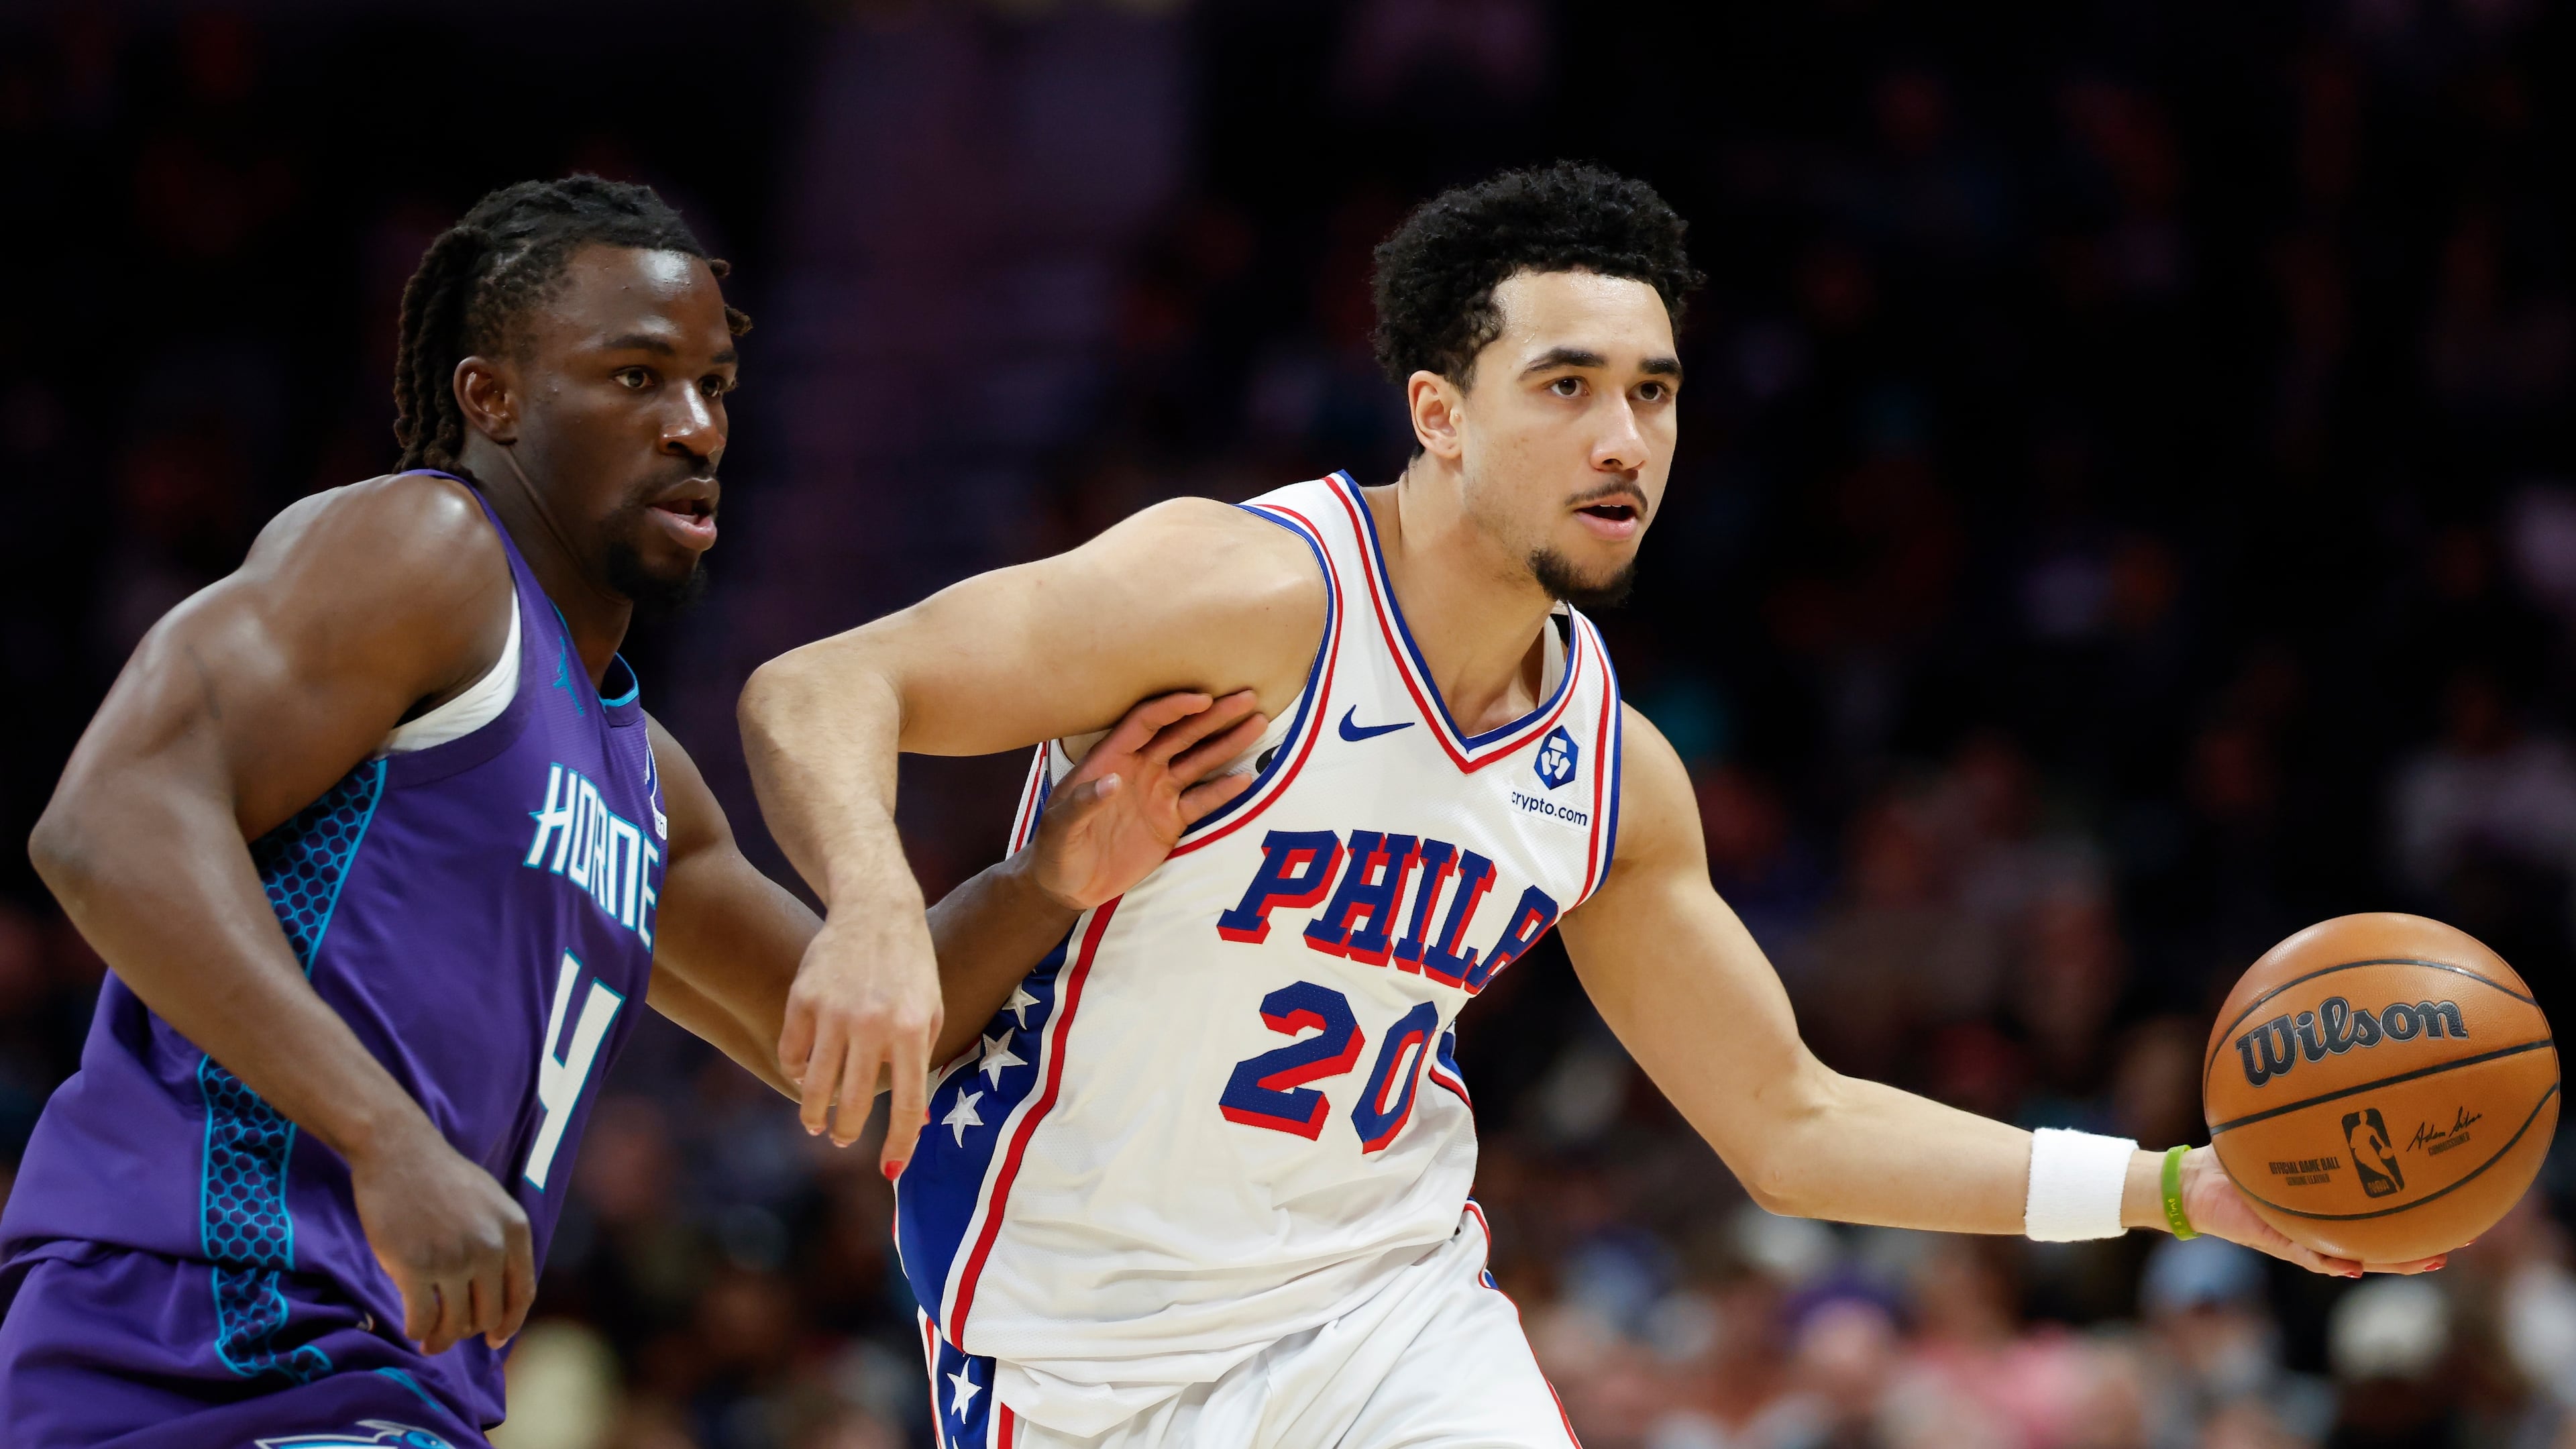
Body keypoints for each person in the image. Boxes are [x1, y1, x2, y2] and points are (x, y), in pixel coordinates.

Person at [737, 163, 2440, 1448]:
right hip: (1081, 1350)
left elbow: (1790, 1124)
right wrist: (878, 911)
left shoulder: (1612, 775)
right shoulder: (1245, 593)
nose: (1625, 439)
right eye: (1566, 386)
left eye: (1655, 390)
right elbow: (818, 687)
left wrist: (2170, 1190)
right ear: (1439, 414)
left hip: (1389, 1320)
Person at [1, 176, 1265, 1449]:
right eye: (637, 377)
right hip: (201, 1333)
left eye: (715, 385)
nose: (697, 426)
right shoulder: (427, 550)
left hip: (379, 1380)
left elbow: (844, 1047)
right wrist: (387, 1138)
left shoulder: (639, 774)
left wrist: (1044, 880)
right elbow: (108, 823)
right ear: (490, 398)